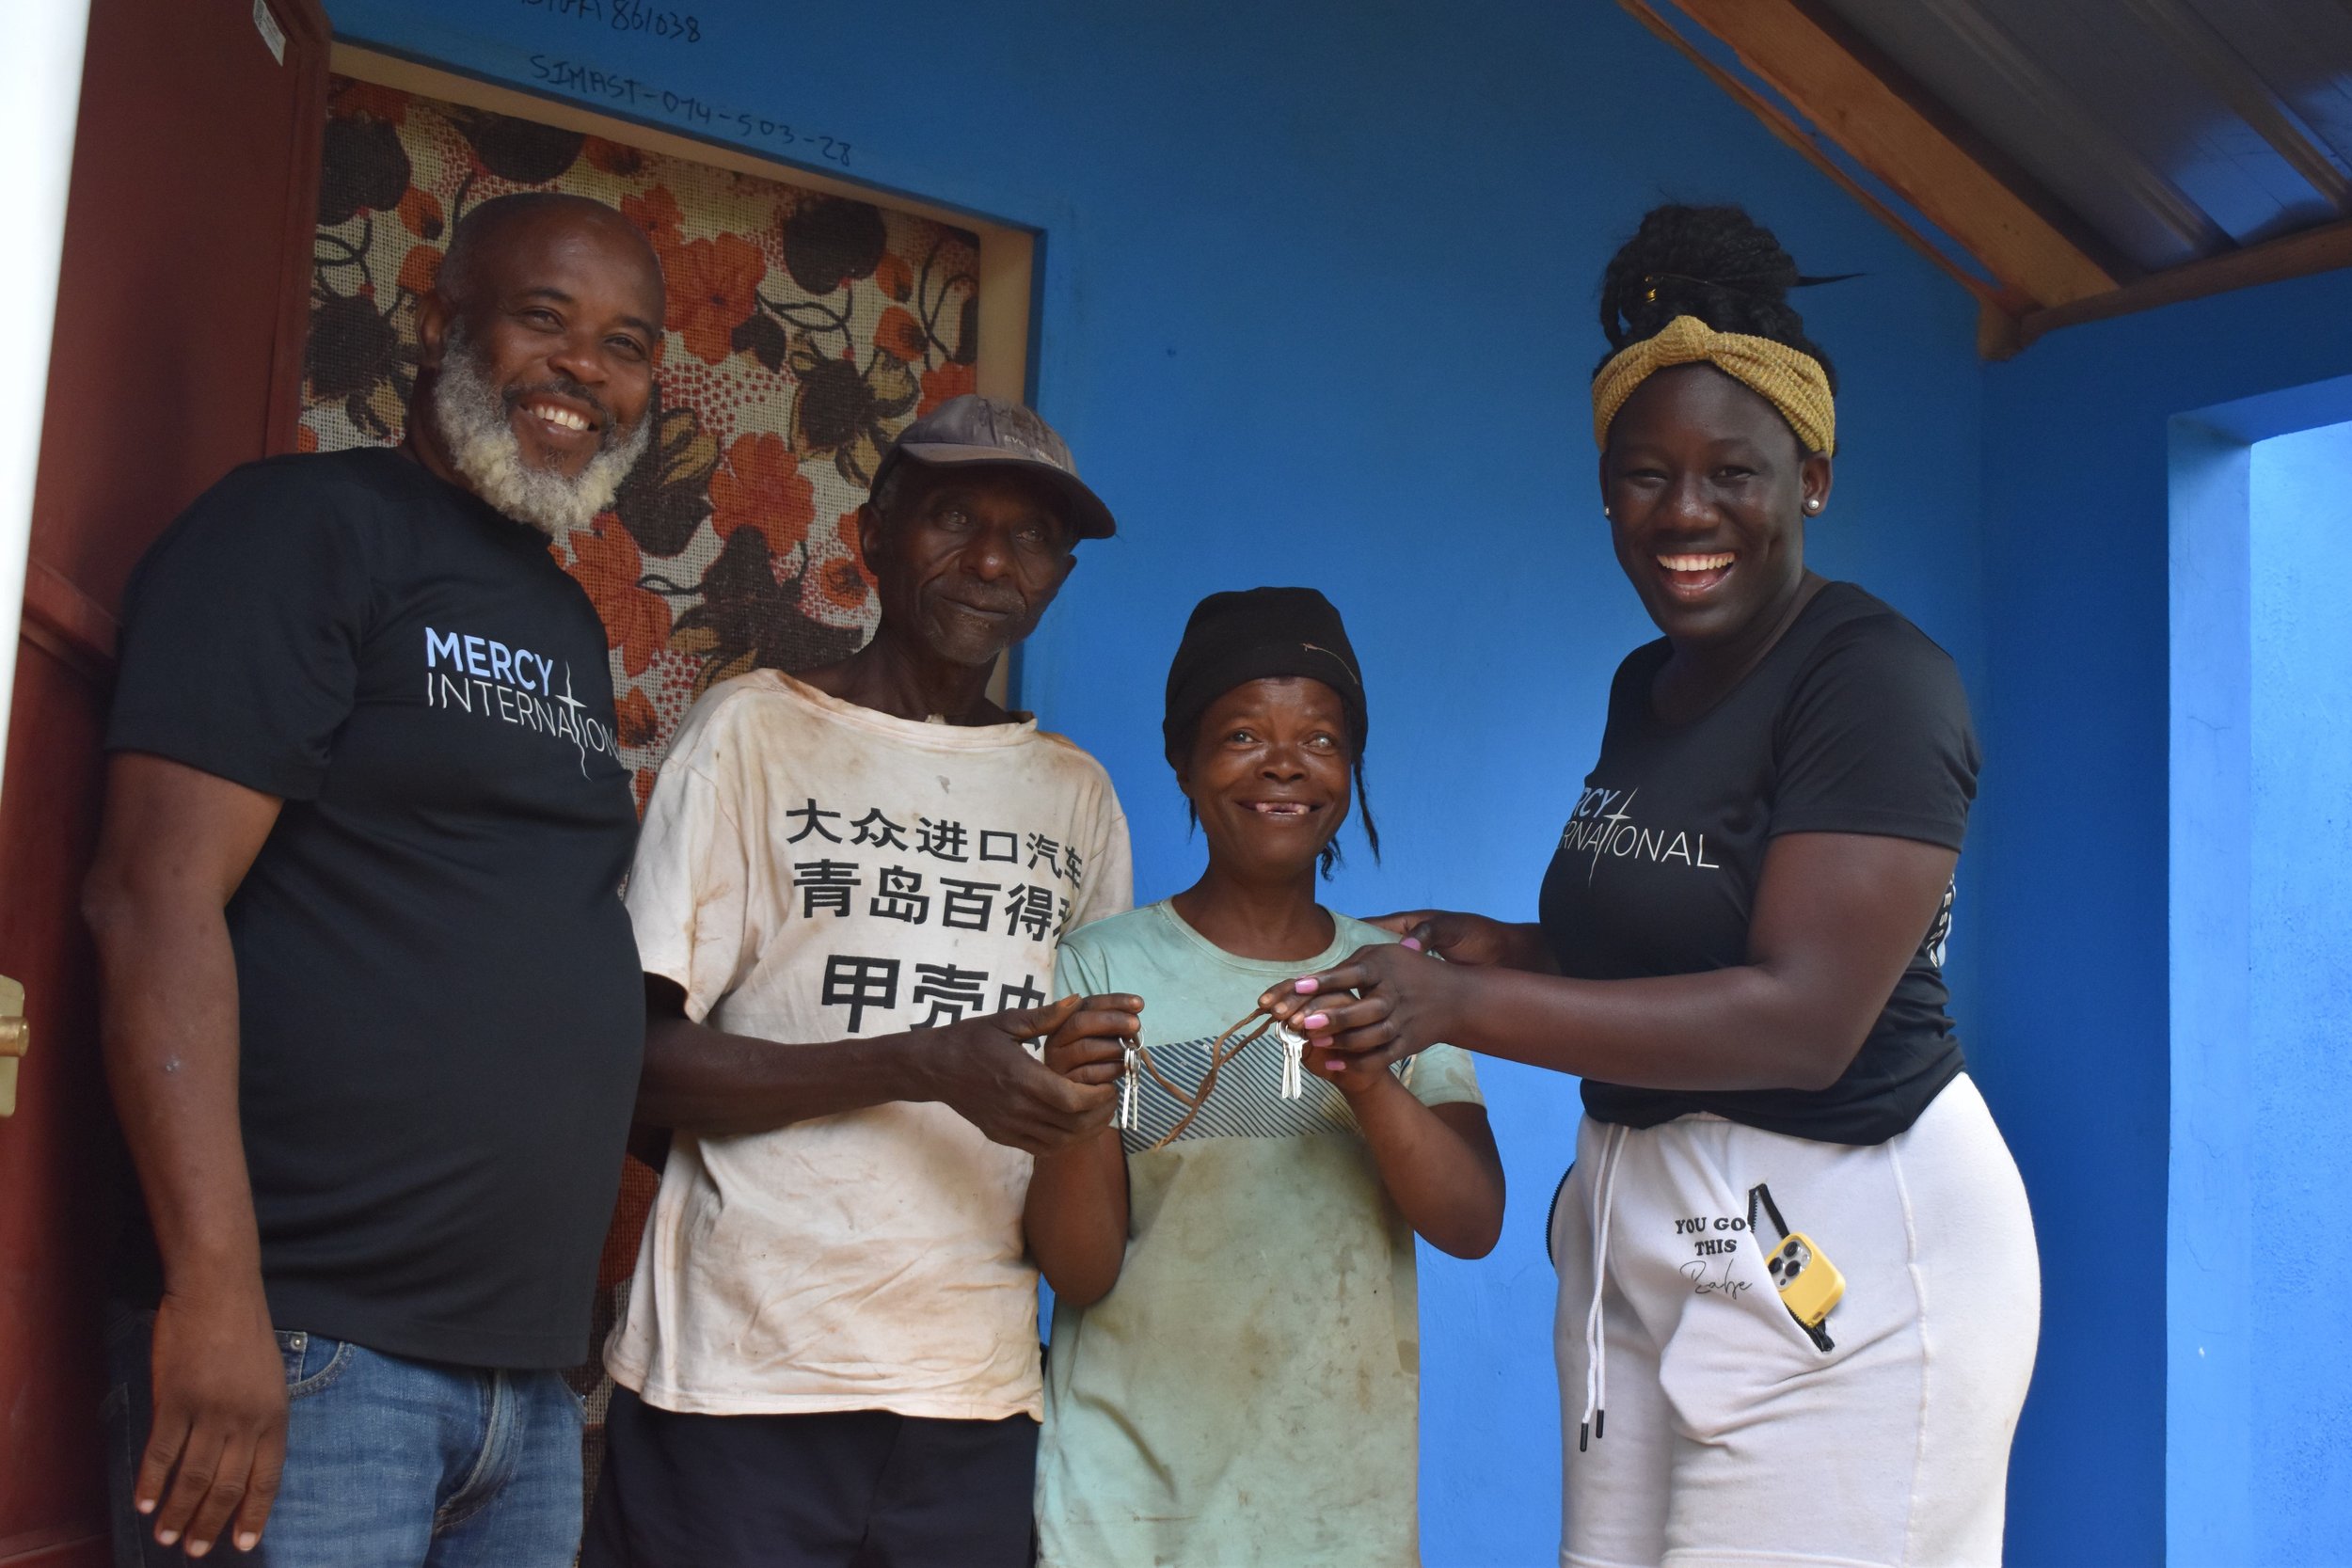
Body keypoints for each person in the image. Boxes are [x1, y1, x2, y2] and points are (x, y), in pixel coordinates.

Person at [1260, 206, 2040, 1568]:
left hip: (1839, 1244)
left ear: (1811, 478)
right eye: (1643, 475)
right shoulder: (1655, 681)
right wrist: (1491, 944)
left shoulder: (1875, 680)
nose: (1683, 514)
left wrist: (1460, 1003)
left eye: (1731, 471)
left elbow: (1801, 1017)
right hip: (1639, 1220)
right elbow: (1664, 941)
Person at [83, 191, 664, 1565]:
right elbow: (151, 899)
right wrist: (215, 1293)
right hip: (307, 1348)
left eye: (627, 341)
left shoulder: (564, 615)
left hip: (515, 1385)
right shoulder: (302, 529)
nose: (586, 367)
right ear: (438, 318)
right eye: (545, 318)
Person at [583, 394, 1134, 1568]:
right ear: (874, 532)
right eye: (952, 517)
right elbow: (631, 1062)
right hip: (733, 1381)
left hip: (971, 1397)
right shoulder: (753, 733)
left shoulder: (1075, 797)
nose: (990, 559)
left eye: (1030, 536)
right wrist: (920, 1061)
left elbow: (1089, 1109)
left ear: (1060, 575)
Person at [1024, 586, 1505, 1568]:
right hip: (1123, 1513)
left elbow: (1471, 1222)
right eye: (1242, 733)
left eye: (1319, 738)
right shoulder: (1097, 970)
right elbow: (1078, 1270)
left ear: (1350, 763)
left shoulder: (1398, 981)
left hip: (1336, 1512)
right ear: (1184, 761)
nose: (1284, 762)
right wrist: (1074, 1115)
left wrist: (1368, 1080)